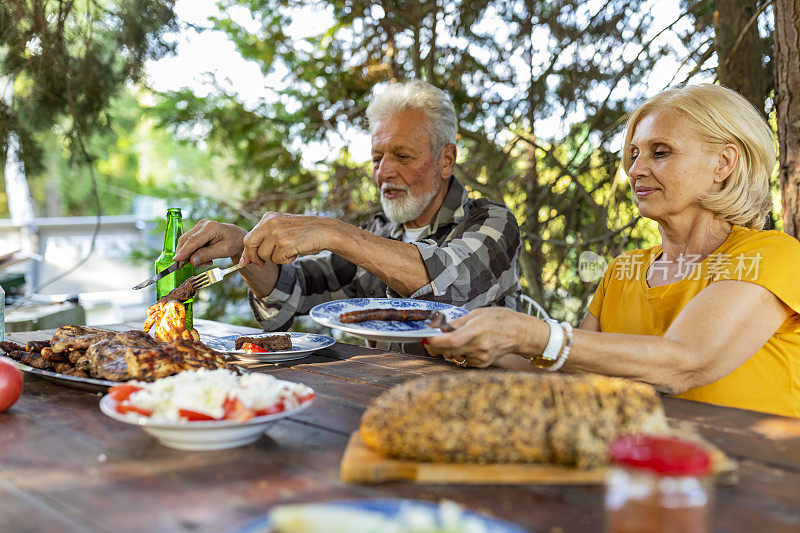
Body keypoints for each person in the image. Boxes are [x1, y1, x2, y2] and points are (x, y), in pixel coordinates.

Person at [425, 84, 800, 418]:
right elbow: (571, 374)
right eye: (634, 154)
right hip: (641, 472)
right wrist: (469, 342)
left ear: (723, 163)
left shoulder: (774, 255)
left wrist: (530, 333)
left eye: (660, 152)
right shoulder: (627, 269)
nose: (635, 169)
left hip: (756, 483)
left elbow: (684, 362)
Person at [173, 79, 522, 352]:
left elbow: (454, 292)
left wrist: (335, 232)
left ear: (446, 160)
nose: (384, 171)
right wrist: (242, 249)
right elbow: (293, 290)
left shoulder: (492, 222)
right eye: (376, 158)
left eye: (402, 156)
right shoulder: (378, 231)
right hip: (382, 397)